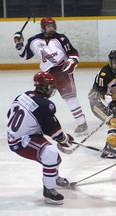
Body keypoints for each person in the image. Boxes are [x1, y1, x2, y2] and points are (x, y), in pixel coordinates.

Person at [7, 71, 75, 205]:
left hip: (20, 135)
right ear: (44, 87)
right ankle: (49, 191)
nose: (52, 89)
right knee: (50, 154)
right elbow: (53, 131)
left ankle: (53, 178)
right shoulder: (45, 104)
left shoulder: (24, 95)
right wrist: (64, 139)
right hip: (21, 141)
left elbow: (10, 113)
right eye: (50, 86)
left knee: (54, 158)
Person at [13, 17, 88, 136]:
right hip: (46, 74)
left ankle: (82, 123)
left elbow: (73, 53)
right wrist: (19, 44)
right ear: (43, 28)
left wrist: (72, 61)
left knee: (70, 97)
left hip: (61, 71)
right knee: (41, 99)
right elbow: (25, 55)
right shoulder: (34, 40)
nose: (51, 28)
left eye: (53, 26)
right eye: (49, 26)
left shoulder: (61, 38)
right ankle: (38, 124)